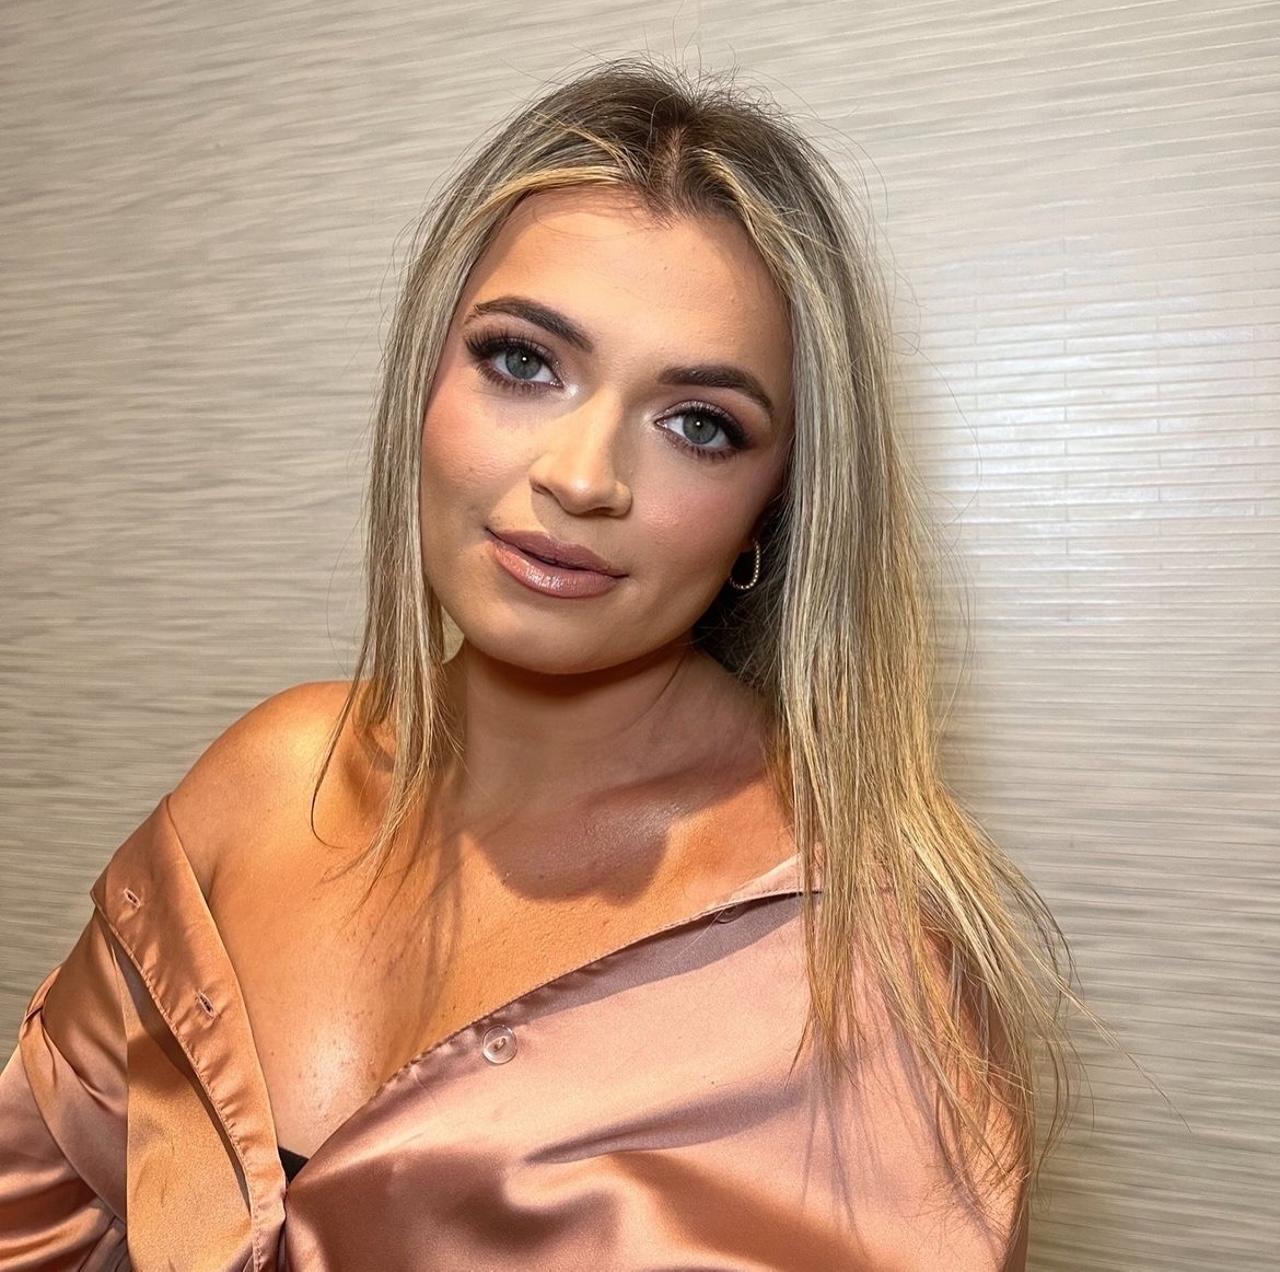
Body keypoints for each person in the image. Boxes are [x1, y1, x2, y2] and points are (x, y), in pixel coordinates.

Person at [0, 55, 1081, 1269]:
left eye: (699, 425)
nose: (579, 476)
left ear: (772, 507)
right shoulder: (265, 778)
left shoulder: (861, 966)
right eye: (522, 361)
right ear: (425, 378)